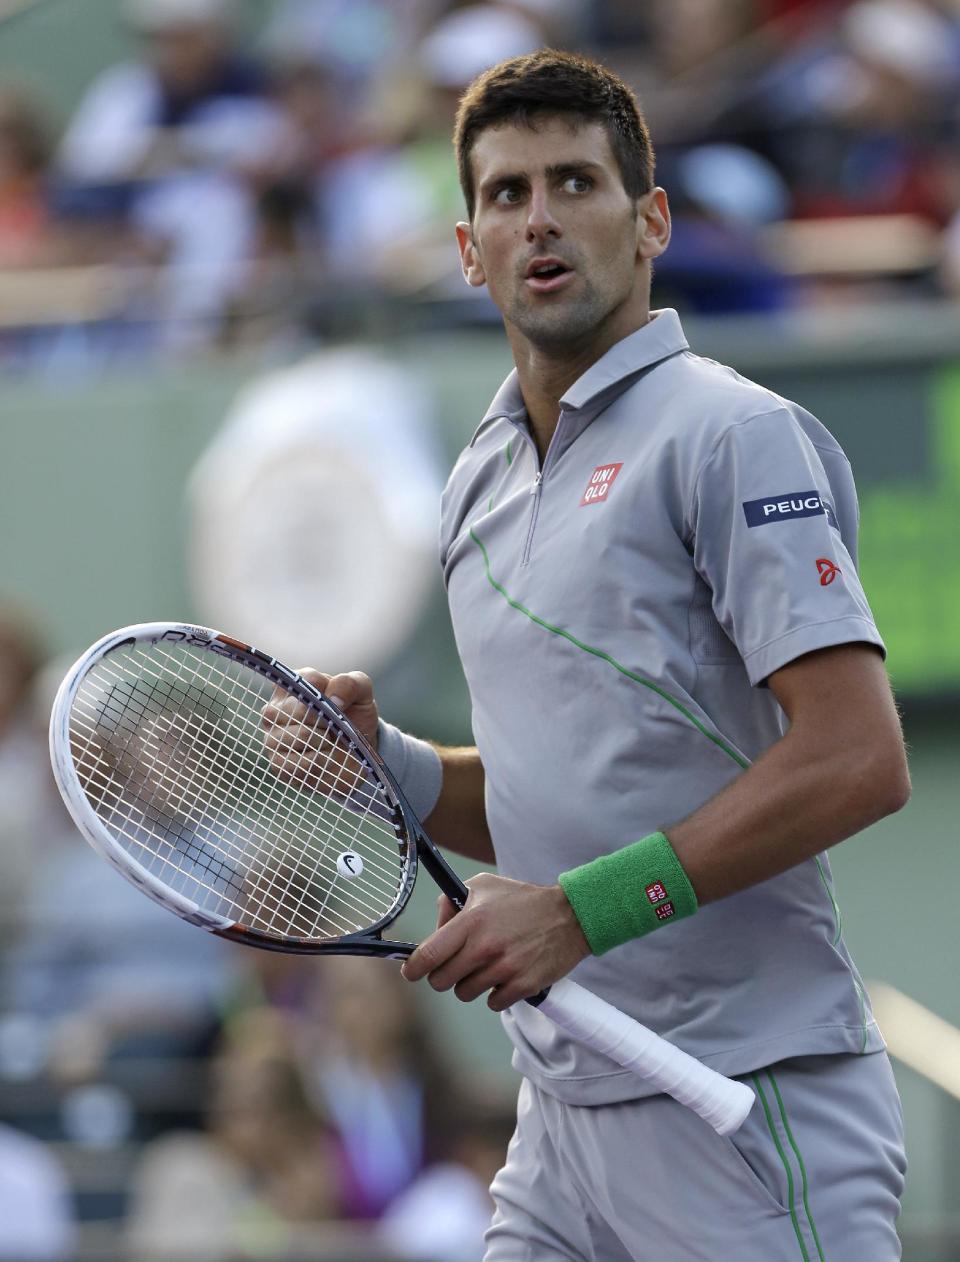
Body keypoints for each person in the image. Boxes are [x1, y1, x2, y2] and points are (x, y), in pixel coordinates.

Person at [263, 50, 910, 1260]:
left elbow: (859, 759)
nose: (541, 218)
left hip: (748, 1102)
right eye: (506, 194)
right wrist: (388, 765)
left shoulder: (735, 433)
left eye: (576, 182)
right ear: (469, 249)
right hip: (561, 1130)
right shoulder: (475, 484)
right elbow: (558, 799)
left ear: (649, 219)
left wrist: (579, 912)